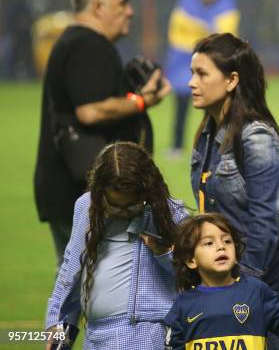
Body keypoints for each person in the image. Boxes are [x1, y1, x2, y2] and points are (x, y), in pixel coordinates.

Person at [34, 0, 171, 266]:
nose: (131, 11)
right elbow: (91, 111)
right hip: (84, 190)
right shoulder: (87, 43)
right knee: (92, 286)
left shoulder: (76, 41)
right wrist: (141, 100)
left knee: (79, 283)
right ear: (98, 6)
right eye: (123, 2)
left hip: (70, 186)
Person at [189, 33, 279, 350]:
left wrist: (245, 286)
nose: (191, 83)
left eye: (201, 73)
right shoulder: (208, 133)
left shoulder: (256, 137)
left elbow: (265, 222)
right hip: (228, 279)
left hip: (267, 281)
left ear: (231, 80)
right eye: (191, 73)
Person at [45, 142, 187, 350]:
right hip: (93, 334)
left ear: (147, 190)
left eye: (131, 205)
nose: (122, 211)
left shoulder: (170, 214)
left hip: (143, 335)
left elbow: (192, 275)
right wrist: (57, 324)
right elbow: (70, 270)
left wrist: (164, 252)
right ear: (99, 191)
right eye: (113, 205)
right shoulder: (87, 205)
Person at [165, 213, 279, 349]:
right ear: (191, 260)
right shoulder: (184, 304)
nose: (221, 246)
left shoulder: (256, 290)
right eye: (209, 243)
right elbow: (173, 344)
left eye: (227, 241)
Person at [165, 0, 239, 158]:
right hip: (183, 60)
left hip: (215, 60)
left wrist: (196, 31)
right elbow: (177, 30)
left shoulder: (227, 2)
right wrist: (205, 31)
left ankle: (225, 144)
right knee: (182, 102)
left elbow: (225, 34)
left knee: (219, 105)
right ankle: (177, 145)